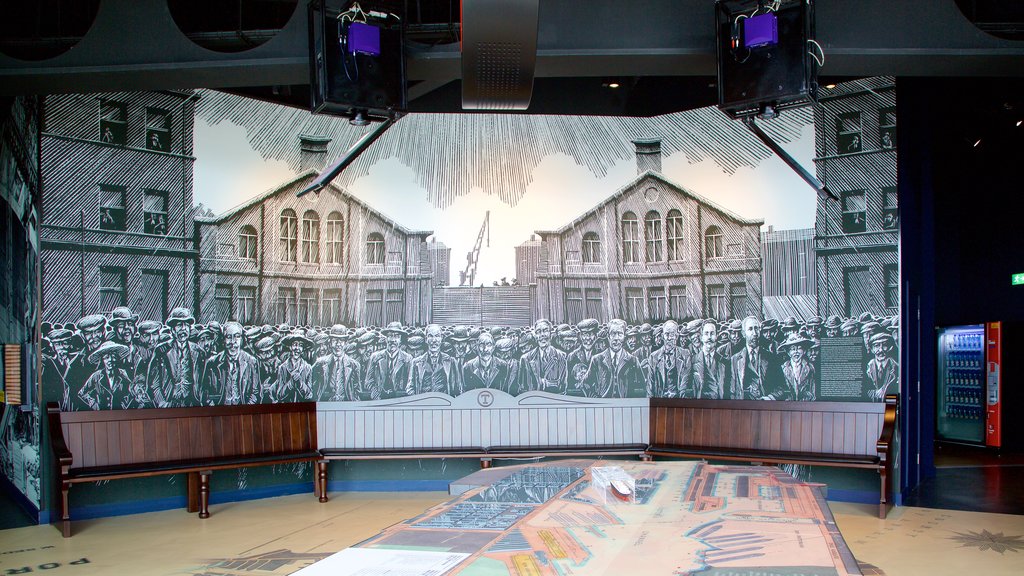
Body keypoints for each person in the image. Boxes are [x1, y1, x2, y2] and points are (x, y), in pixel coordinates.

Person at [147, 307, 202, 407]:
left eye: (186, 325)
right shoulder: (162, 350)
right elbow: (153, 383)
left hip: (192, 404)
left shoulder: (198, 351)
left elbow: (203, 382)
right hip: (169, 403)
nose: (183, 329)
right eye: (179, 325)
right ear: (172, 329)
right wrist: (162, 404)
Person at [199, 322, 261, 405]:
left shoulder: (251, 362)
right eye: (228, 337)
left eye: (237, 336)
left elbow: (255, 393)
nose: (233, 342)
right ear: (223, 340)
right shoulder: (212, 362)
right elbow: (205, 393)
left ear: (242, 339)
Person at [586, 319, 645, 398]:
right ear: (608, 337)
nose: (616, 338)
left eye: (620, 334)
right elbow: (585, 383)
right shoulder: (597, 360)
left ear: (624, 336)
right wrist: (595, 399)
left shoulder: (633, 361)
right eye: (613, 334)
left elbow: (642, 386)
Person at [407, 324, 463, 396]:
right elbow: (409, 388)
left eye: (437, 336)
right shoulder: (416, 362)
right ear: (426, 339)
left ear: (441, 338)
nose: (434, 340)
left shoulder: (451, 362)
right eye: (430, 336)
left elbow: (458, 389)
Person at [364, 322, 412, 399]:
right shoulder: (375, 357)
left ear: (400, 339)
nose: (392, 340)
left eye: (396, 336)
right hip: (379, 401)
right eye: (390, 336)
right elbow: (368, 381)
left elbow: (410, 383)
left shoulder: (407, 359)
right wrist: (375, 392)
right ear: (386, 338)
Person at [79, 341, 133, 410]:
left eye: (113, 357)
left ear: (117, 358)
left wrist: (125, 404)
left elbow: (132, 391)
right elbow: (82, 393)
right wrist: (93, 404)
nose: (110, 360)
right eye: (106, 357)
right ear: (102, 360)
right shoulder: (96, 376)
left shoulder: (123, 374)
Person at [518, 319, 567, 394]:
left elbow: (562, 387)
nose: (542, 335)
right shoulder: (525, 359)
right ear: (535, 336)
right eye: (538, 332)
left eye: (545, 330)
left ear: (551, 333)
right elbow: (522, 388)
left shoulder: (561, 356)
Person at [730, 316, 772, 400]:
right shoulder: (735, 359)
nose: (755, 333)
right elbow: (732, 390)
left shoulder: (770, 357)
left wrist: (769, 398)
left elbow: (781, 387)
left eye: (756, 329)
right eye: (750, 329)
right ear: (743, 333)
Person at [766, 333, 816, 401]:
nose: (796, 352)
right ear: (788, 352)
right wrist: (770, 398)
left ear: (804, 351)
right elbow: (780, 389)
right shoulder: (782, 368)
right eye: (792, 349)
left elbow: (812, 390)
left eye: (799, 348)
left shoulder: (810, 368)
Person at [647, 320, 690, 398]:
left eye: (672, 334)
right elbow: (650, 385)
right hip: (660, 400)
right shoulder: (653, 357)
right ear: (663, 336)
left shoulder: (685, 355)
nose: (669, 338)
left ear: (677, 336)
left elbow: (685, 382)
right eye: (667, 334)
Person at [689, 320, 729, 399]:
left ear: (717, 336)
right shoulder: (692, 361)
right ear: (701, 337)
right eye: (706, 333)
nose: (709, 337)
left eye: (712, 333)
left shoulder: (724, 362)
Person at [42, 328, 76, 411]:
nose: (61, 347)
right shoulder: (49, 364)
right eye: (57, 344)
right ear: (53, 347)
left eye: (65, 343)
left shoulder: (78, 361)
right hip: (57, 407)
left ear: (70, 344)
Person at [275, 330, 315, 402]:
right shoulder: (282, 368)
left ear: (303, 349)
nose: (297, 348)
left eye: (301, 345)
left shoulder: (308, 367)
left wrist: (300, 382)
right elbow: (279, 395)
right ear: (290, 347)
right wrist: (290, 382)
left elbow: (310, 395)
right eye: (294, 344)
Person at [566, 319, 599, 396]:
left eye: (590, 334)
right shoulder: (572, 356)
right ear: (580, 336)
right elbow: (569, 383)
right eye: (584, 334)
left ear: (596, 335)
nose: (587, 338)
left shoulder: (602, 355)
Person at [865, 332, 898, 401]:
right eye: (876, 346)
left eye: (885, 345)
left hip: (890, 402)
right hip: (872, 407)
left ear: (890, 347)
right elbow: (864, 390)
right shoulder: (867, 367)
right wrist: (876, 393)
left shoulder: (896, 367)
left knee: (890, 412)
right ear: (871, 349)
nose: (880, 350)